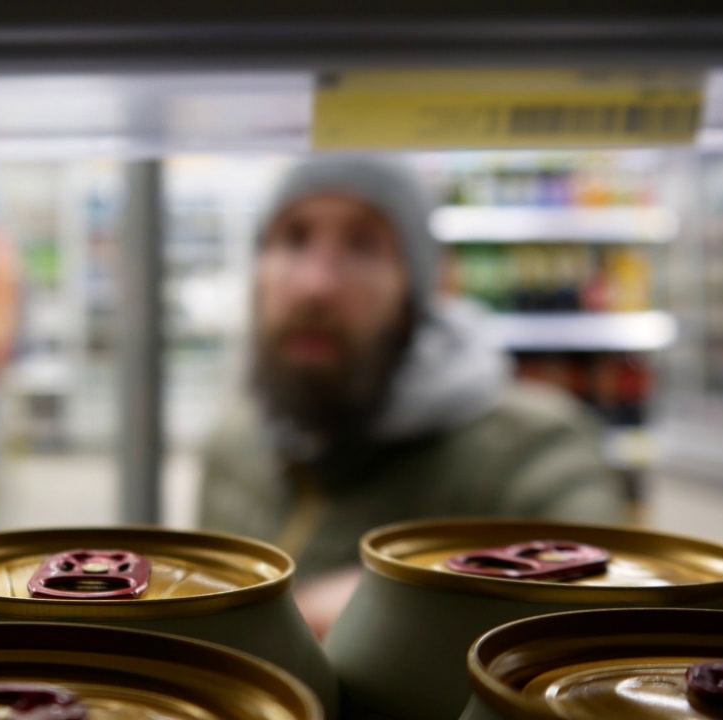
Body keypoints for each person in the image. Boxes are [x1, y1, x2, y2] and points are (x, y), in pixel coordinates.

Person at [198, 156, 629, 638]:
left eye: (364, 244)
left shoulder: (534, 449)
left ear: (415, 291)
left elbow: (611, 622)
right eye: (294, 238)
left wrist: (419, 607)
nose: (314, 285)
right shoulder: (235, 443)